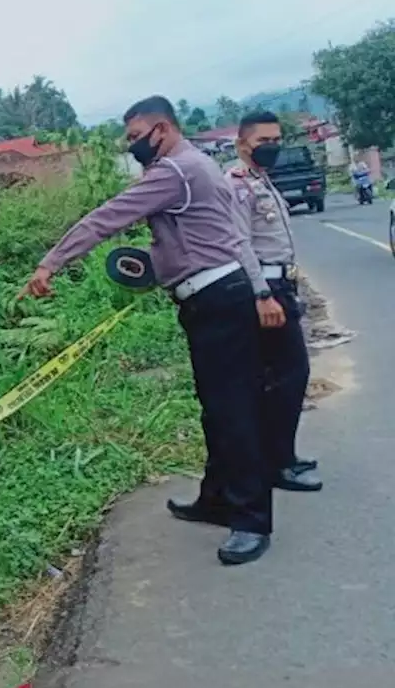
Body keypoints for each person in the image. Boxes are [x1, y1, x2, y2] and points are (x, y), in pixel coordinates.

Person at [19, 95, 274, 566]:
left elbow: (107, 217)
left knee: (233, 410)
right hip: (213, 297)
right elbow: (197, 238)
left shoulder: (173, 172)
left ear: (163, 130)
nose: (132, 145)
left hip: (217, 299)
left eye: (137, 137)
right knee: (217, 408)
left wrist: (50, 262)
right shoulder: (198, 164)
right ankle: (218, 498)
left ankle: (252, 520)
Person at [226, 112, 322, 493]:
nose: (273, 147)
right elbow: (239, 243)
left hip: (282, 285)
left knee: (284, 376)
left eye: (277, 139)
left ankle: (283, 455)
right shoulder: (237, 186)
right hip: (266, 290)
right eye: (263, 141)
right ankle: (277, 464)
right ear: (242, 145)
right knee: (290, 373)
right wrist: (262, 295)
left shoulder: (262, 180)